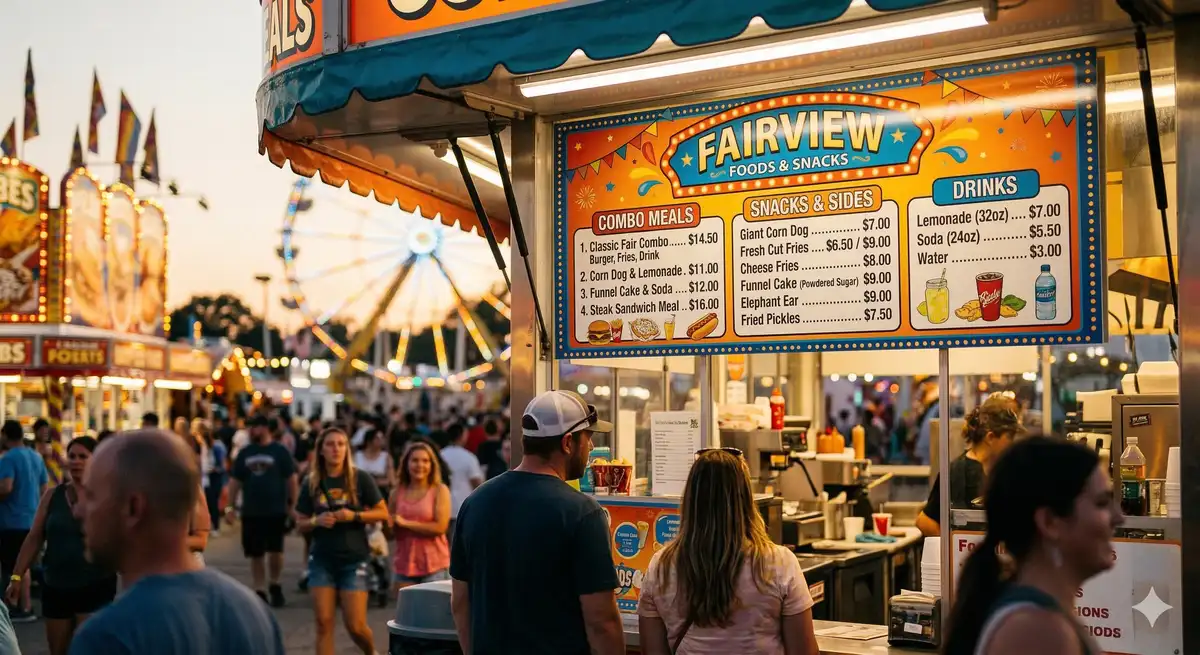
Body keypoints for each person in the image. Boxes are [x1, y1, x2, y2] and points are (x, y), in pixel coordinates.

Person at [67, 429, 285, 655]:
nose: (78, 511)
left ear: (133, 508)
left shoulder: (107, 636)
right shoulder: (253, 612)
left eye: (92, 496)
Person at [450, 390, 624, 655]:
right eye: (588, 438)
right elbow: (601, 621)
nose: (590, 447)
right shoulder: (583, 513)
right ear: (568, 443)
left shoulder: (475, 503)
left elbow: (461, 602)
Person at [943, 437, 1120, 655]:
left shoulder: (1039, 618)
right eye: (1101, 503)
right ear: (1049, 522)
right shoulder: (1037, 630)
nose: (1118, 518)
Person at [638, 449, 819, 655]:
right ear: (746, 498)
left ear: (691, 498)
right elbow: (804, 652)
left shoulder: (660, 567)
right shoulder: (780, 563)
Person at [6, 437, 115, 655]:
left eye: (83, 456)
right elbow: (35, 537)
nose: (76, 461)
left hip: (95, 584)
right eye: (72, 456)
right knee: (58, 651)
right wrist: (17, 577)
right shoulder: (52, 496)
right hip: (56, 586)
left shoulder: (107, 495)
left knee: (87, 650)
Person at [296, 428, 389, 655]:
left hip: (354, 560)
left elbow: (382, 513)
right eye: (330, 444)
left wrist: (354, 515)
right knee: (323, 624)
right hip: (321, 560)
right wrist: (316, 521)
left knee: (355, 626)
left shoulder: (359, 478)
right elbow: (300, 522)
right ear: (321, 450)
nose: (336, 449)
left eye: (341, 444)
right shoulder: (312, 481)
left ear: (347, 449)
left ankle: (371, 652)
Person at [916, 396, 1023, 537]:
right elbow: (924, 521)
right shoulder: (957, 472)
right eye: (1010, 436)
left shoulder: (1005, 470)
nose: (1013, 442)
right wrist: (955, 548)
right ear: (990, 438)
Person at [225, 415, 297, 607]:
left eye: (255, 427)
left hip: (276, 509)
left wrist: (293, 505)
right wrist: (230, 506)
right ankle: (259, 589)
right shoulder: (245, 453)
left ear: (265, 428)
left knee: (275, 550)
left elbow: (291, 479)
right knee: (255, 553)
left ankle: (275, 583)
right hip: (252, 510)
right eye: (250, 427)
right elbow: (235, 481)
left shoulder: (280, 451)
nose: (251, 431)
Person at [0, 420, 47, 622]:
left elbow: (5, 487)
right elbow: (44, 487)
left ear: (5, 435)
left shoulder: (8, 458)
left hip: (11, 521)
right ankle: (25, 606)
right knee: (25, 564)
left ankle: (22, 606)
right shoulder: (36, 457)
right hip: (32, 518)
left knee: (15, 566)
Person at [391, 441, 451, 593]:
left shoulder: (439, 490)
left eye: (425, 461)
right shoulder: (396, 492)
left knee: (434, 615)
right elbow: (390, 529)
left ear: (432, 465)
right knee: (406, 615)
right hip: (404, 564)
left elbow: (440, 527)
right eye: (415, 460)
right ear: (406, 464)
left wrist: (405, 523)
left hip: (434, 565)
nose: (420, 465)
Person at [440, 424, 483, 544]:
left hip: (441, 507)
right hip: (462, 506)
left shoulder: (440, 455)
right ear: (462, 436)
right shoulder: (469, 457)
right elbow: (477, 483)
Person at [201, 421, 227, 538]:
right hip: (207, 476)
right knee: (209, 502)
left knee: (213, 502)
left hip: (214, 476)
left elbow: (222, 465)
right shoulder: (205, 446)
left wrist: (215, 469)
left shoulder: (217, 446)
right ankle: (211, 525)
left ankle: (215, 526)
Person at [355, 428, 395, 502]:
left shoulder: (386, 457)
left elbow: (391, 481)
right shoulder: (357, 456)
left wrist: (373, 482)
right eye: (377, 438)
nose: (381, 440)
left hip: (379, 493)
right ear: (369, 440)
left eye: (382, 438)